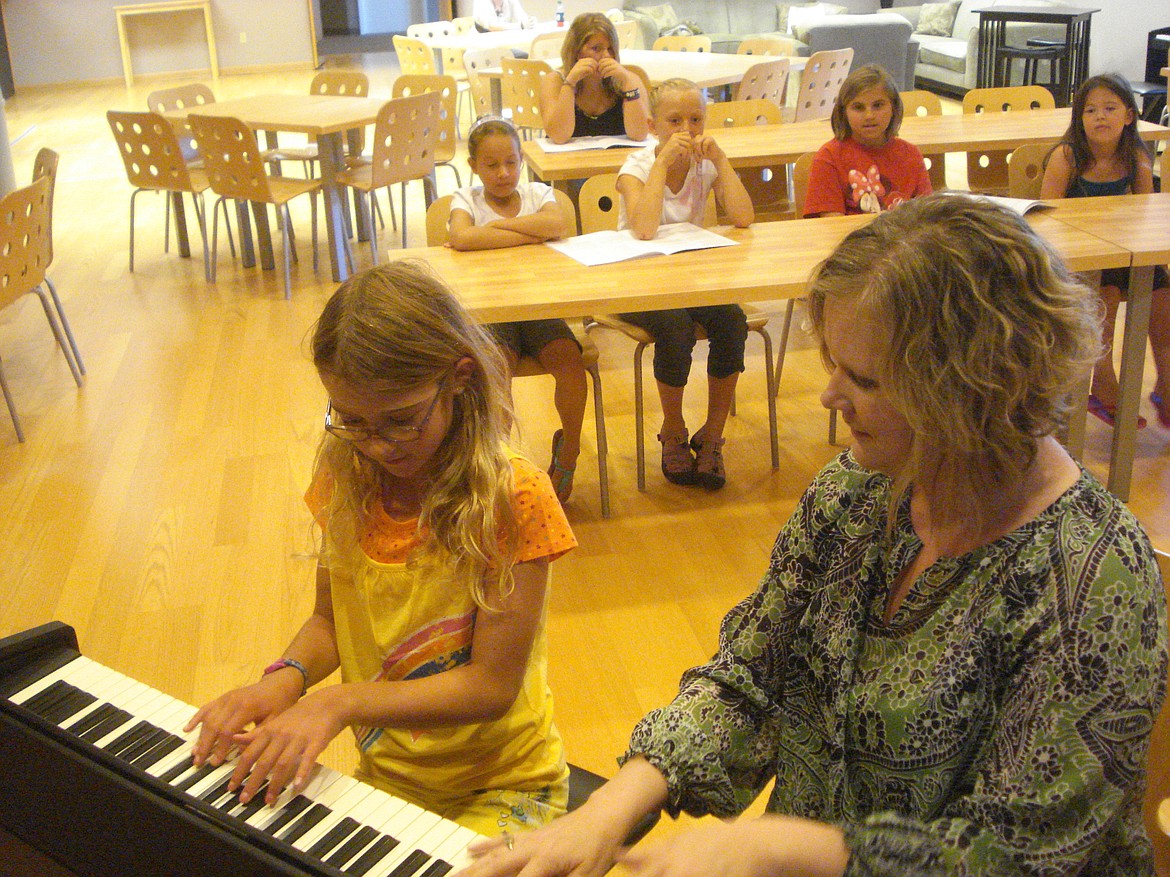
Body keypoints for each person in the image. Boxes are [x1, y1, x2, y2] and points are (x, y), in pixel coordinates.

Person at [456, 194, 1169, 876]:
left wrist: (780, 850)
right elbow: (750, 675)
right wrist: (611, 807)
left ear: (971, 389)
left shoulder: (1090, 576)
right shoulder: (857, 490)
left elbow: (1019, 855)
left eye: (862, 378)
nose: (828, 396)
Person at [185, 262, 576, 836]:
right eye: (350, 421)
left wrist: (336, 704)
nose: (375, 445)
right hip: (391, 777)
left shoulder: (511, 497)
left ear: (460, 377)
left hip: (508, 783)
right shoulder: (347, 480)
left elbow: (490, 688)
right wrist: (283, 680)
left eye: (400, 421)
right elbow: (329, 621)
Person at [615, 78, 754, 490]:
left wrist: (722, 161)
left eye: (696, 119)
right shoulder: (636, 167)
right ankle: (673, 430)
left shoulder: (705, 163)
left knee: (732, 321)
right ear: (653, 125)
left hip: (691, 278)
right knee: (674, 328)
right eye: (674, 120)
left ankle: (711, 435)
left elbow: (744, 217)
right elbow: (643, 229)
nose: (687, 130)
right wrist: (661, 165)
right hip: (638, 280)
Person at [448, 117, 588, 502]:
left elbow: (556, 223)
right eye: (491, 165)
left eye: (510, 162)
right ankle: (499, 463)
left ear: (521, 160)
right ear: (473, 165)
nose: (503, 173)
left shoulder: (537, 192)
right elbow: (461, 236)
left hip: (539, 304)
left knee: (571, 362)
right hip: (491, 312)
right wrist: (529, 232)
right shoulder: (466, 199)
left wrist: (491, 235)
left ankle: (569, 453)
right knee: (496, 370)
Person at [1040, 72, 1170, 430]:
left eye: (1110, 108)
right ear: (1078, 118)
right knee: (1106, 292)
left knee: (1162, 288)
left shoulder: (1136, 158)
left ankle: (1165, 378)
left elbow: (1148, 213)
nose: (1100, 116)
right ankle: (1101, 377)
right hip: (1078, 259)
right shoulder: (1067, 157)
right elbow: (1046, 217)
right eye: (1090, 110)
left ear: (1129, 116)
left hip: (1124, 250)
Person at [803, 64, 932, 217]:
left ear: (894, 108)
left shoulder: (911, 154)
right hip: (853, 240)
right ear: (844, 113)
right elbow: (831, 226)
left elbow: (927, 217)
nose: (869, 115)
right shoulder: (829, 157)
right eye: (858, 107)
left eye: (878, 105)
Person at [539, 12, 649, 144]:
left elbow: (639, 134)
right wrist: (570, 84)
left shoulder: (630, 80)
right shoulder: (554, 81)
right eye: (596, 49)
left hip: (617, 162)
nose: (606, 55)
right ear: (576, 52)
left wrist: (627, 84)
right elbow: (559, 136)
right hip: (567, 161)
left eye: (610, 49)